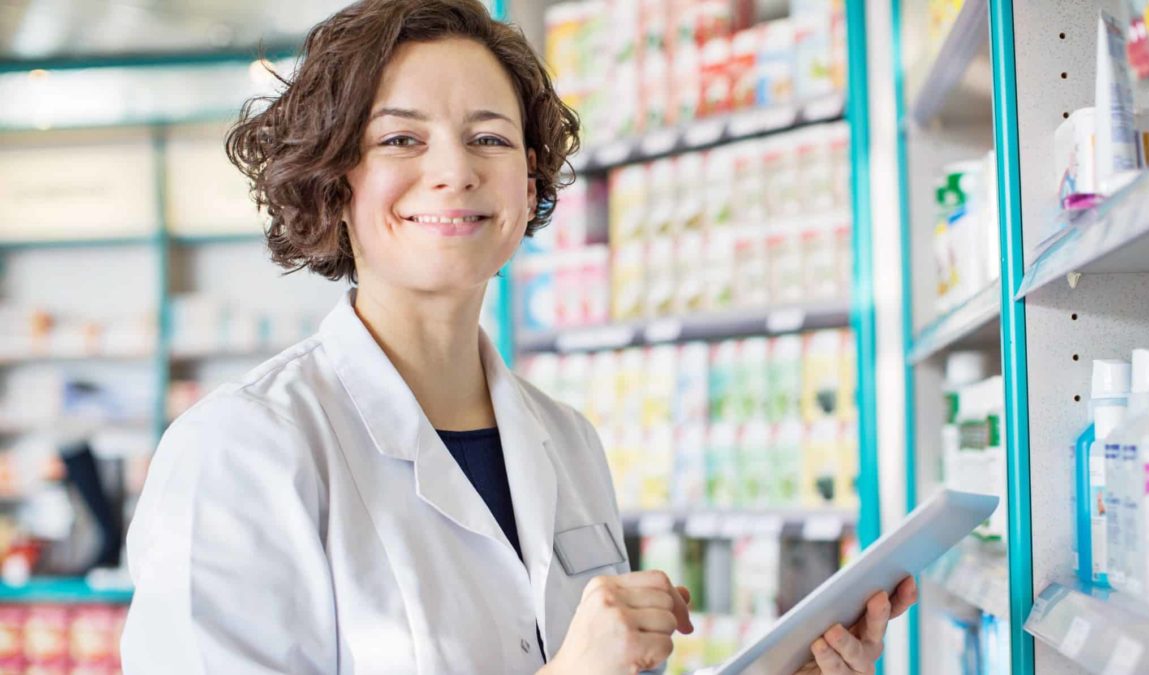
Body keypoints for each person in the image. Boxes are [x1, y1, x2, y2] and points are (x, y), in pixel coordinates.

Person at [120, 1, 917, 673]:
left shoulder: (567, 442)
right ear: (335, 178)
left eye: (491, 138)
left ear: (529, 183)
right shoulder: (243, 448)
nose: (456, 170)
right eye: (401, 138)